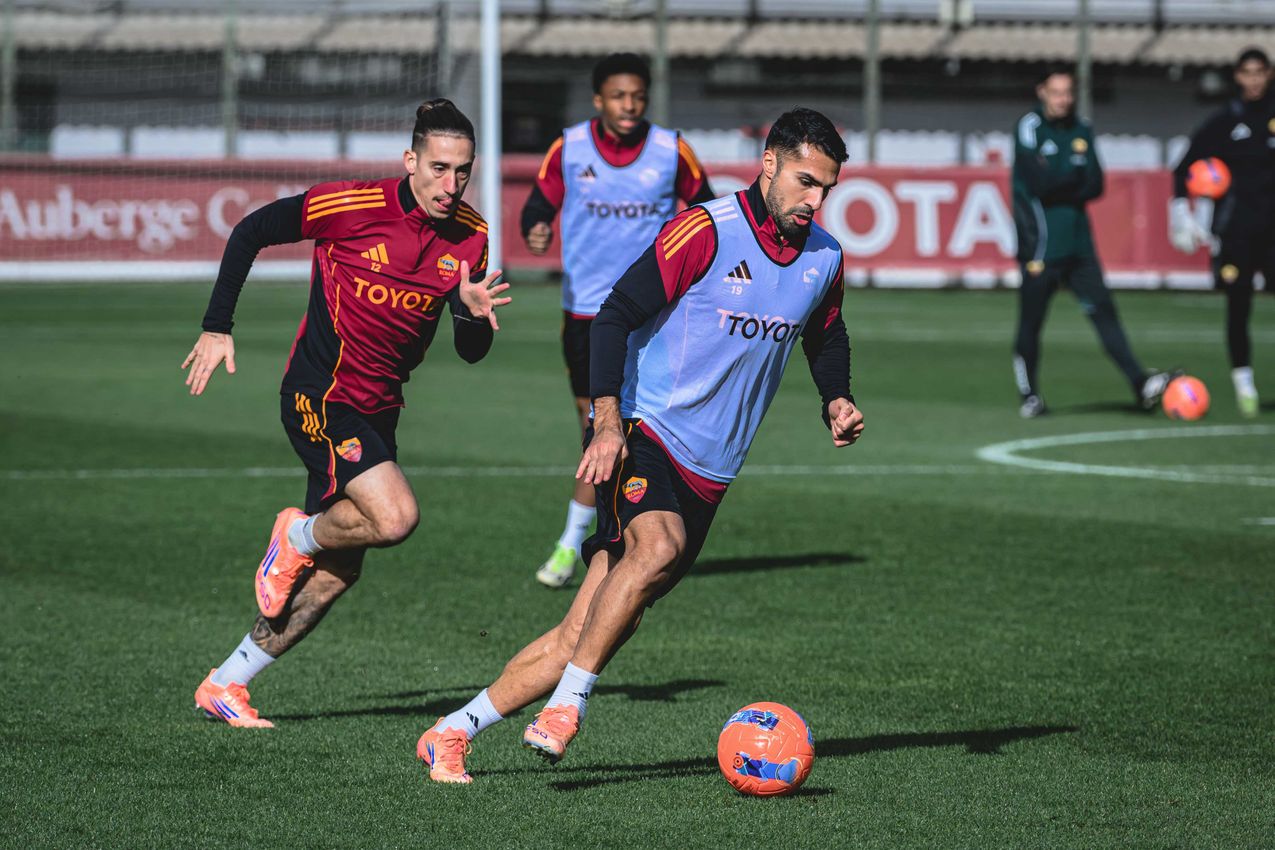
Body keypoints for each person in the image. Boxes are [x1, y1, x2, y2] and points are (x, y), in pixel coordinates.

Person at [416, 107, 863, 784]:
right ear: (767, 163)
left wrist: (834, 396)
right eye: (805, 181)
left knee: (582, 630)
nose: (815, 200)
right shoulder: (706, 229)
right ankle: (568, 708)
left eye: (826, 189)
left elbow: (825, 334)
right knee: (657, 546)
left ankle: (451, 731)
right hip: (645, 431)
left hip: (712, 474)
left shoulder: (823, 257)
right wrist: (604, 421)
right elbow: (616, 312)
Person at [184, 99, 511, 728]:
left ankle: (227, 681)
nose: (451, 184)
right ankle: (295, 535)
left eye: (462, 171)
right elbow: (251, 229)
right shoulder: (351, 205)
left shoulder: (471, 233)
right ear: (410, 160)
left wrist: (469, 310)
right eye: (439, 168)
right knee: (395, 518)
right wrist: (217, 326)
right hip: (321, 395)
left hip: (380, 412)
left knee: (338, 572)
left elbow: (473, 351)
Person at [521, 52, 715, 589]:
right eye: (619, 96)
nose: (629, 106)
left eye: (638, 96)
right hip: (586, 315)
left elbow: (708, 213)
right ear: (599, 99)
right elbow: (538, 205)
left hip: (651, 315)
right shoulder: (571, 147)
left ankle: (576, 546)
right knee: (596, 428)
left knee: (638, 426)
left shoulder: (672, 150)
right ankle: (603, 540)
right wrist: (536, 225)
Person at [1011, 67, 1178, 418]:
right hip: (1040, 243)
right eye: (1056, 92)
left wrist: (1064, 181)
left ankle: (1139, 383)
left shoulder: (1081, 129)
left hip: (1079, 243)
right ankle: (1030, 395)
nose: (1063, 100)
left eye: (1068, 92)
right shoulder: (1029, 128)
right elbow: (1040, 184)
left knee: (1104, 312)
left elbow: (1096, 184)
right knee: (1032, 321)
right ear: (1042, 92)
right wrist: (1071, 178)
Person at [1169, 47, 1274, 418]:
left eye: (1261, 72)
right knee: (1239, 306)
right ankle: (1244, 384)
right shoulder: (1225, 122)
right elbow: (1183, 168)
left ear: (1269, 74)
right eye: (1248, 72)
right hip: (1236, 233)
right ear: (1238, 77)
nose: (1255, 79)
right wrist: (1181, 212)